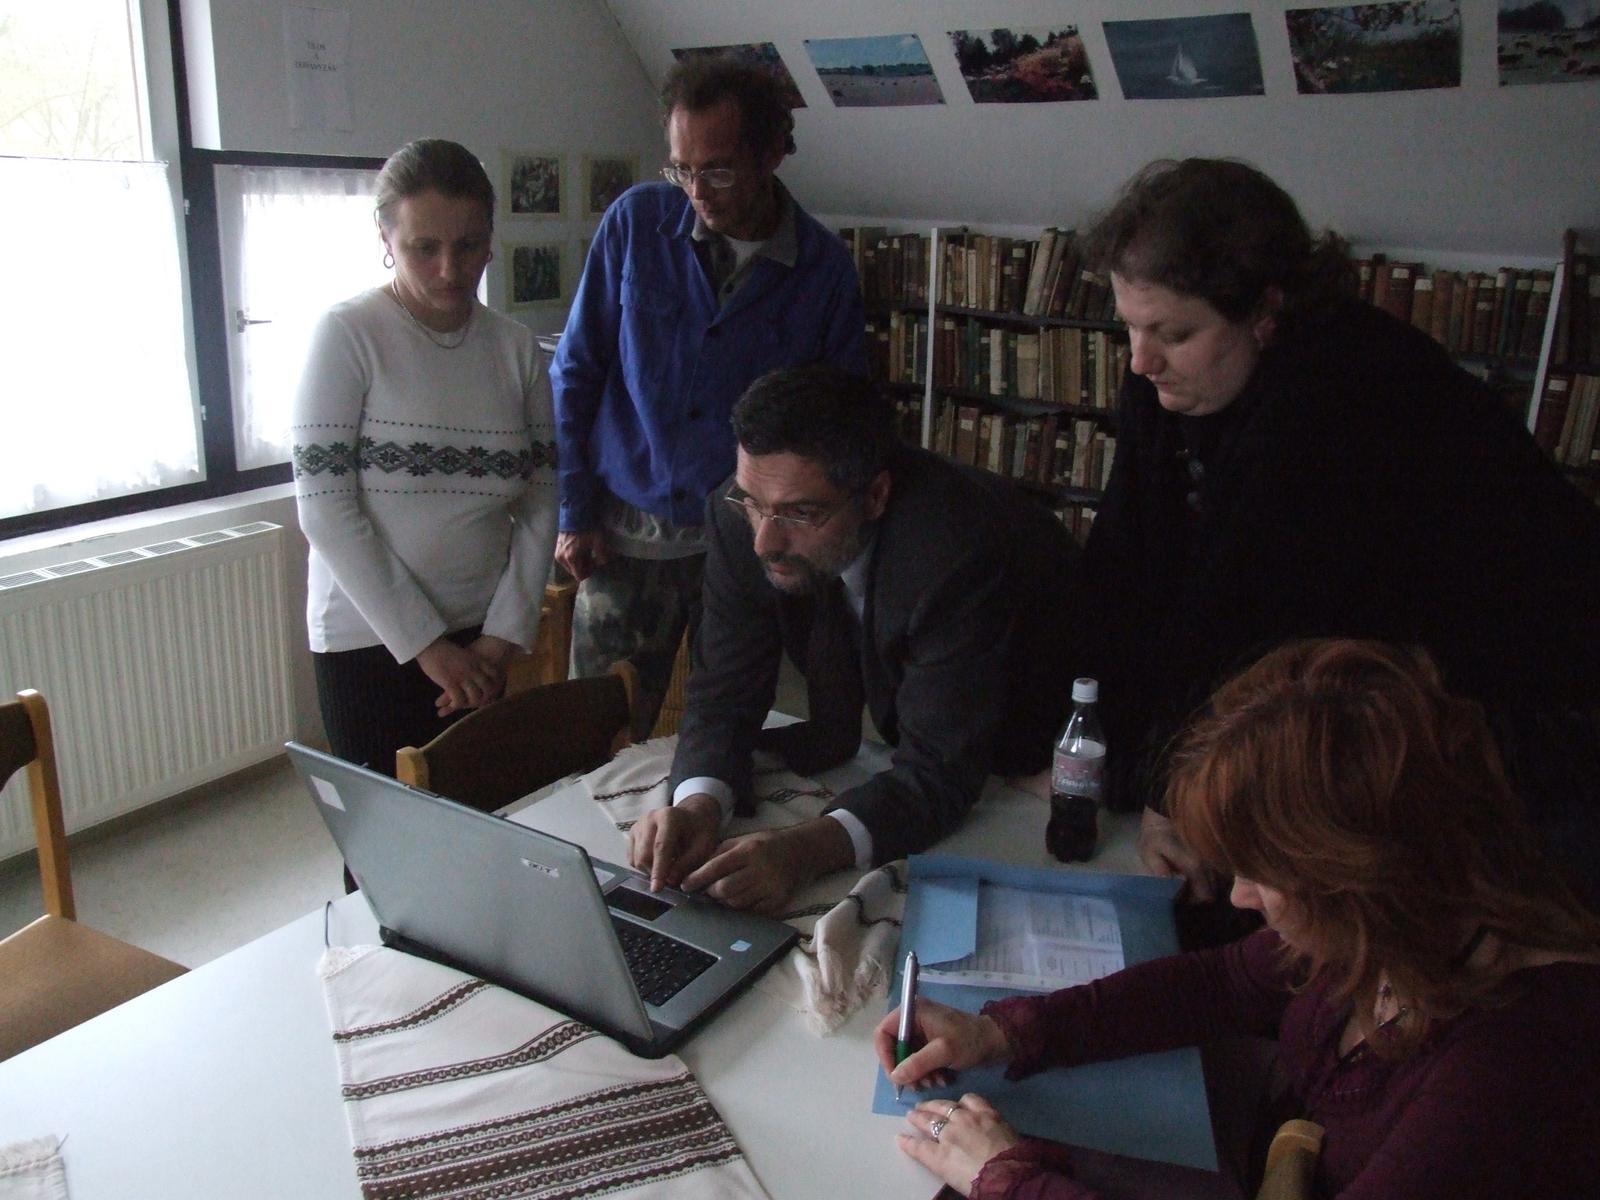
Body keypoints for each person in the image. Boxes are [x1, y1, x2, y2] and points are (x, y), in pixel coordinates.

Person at [876, 639, 1600, 1199]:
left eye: (1261, 873)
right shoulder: (1400, 924)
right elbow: (1223, 982)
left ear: (1357, 880)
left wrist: (1010, 1181)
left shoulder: (1514, 1076)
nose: (1240, 899)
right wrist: (1004, 1032)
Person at [1071, 157, 1600, 908]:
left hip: (1527, 706)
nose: (1141, 359)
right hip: (1371, 674)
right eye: (1130, 325)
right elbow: (1125, 562)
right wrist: (1088, 732)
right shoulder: (1169, 375)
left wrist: (1170, 793)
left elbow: (1252, 623)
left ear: (1266, 311)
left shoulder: (1348, 395)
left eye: (1174, 333)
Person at [628, 364, 1079, 912]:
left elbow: (939, 769)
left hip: (1046, 753)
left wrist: (804, 852)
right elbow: (722, 690)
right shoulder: (740, 514)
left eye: (800, 512)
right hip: (920, 730)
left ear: (875, 495)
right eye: (752, 501)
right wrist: (698, 805)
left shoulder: (954, 549)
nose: (764, 542)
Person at [550, 56, 868, 737]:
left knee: (727, 732)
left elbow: (841, 426)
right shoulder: (635, 224)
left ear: (773, 152)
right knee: (596, 738)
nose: (698, 191)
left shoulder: (824, 271)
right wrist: (573, 510)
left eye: (719, 171)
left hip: (747, 549)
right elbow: (575, 370)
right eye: (681, 169)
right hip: (624, 539)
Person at [292, 138, 557, 781]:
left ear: (490, 240)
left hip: (483, 637)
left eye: (468, 245)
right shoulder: (347, 334)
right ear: (385, 238)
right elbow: (325, 510)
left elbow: (543, 495)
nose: (449, 269)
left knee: (483, 810)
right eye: (424, 247)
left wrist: (504, 633)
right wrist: (427, 646)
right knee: (388, 828)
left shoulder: (515, 348)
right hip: (369, 638)